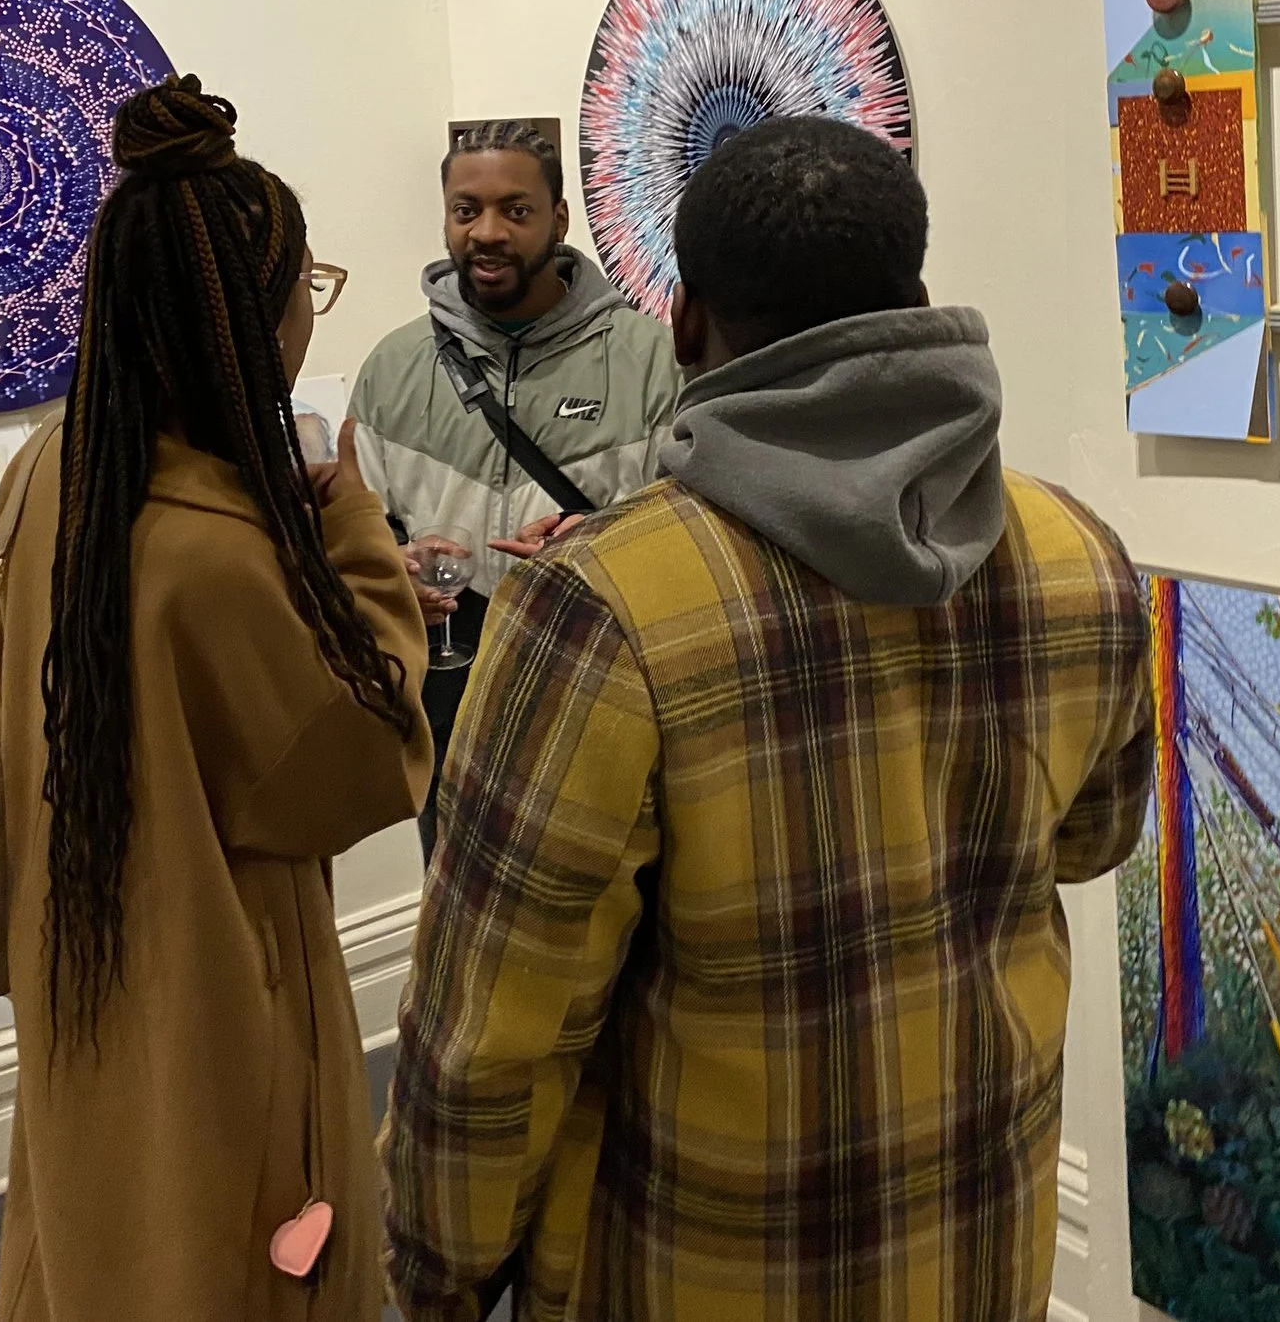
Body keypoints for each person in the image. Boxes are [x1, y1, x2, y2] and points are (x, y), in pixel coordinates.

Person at [382, 118, 1156, 1322]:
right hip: (980, 1227)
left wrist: (437, 1274)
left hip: (703, 1259)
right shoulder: (1078, 551)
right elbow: (1093, 839)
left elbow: (493, 1033)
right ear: (912, 301)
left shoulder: (600, 605)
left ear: (685, 323)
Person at [0, 75, 430, 1320]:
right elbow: (363, 753)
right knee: (232, 1260)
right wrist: (356, 540)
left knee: (101, 1246)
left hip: (85, 972)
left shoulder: (52, 473)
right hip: (224, 996)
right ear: (253, 314)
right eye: (307, 288)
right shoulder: (212, 550)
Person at [347, 118, 678, 858]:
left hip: (603, 682)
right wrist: (393, 565)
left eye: (515, 210)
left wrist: (595, 547)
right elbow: (362, 527)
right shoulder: (394, 366)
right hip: (447, 687)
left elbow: (689, 525)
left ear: (559, 221)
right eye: (466, 210)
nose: (487, 232)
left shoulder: (651, 359)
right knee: (455, 886)